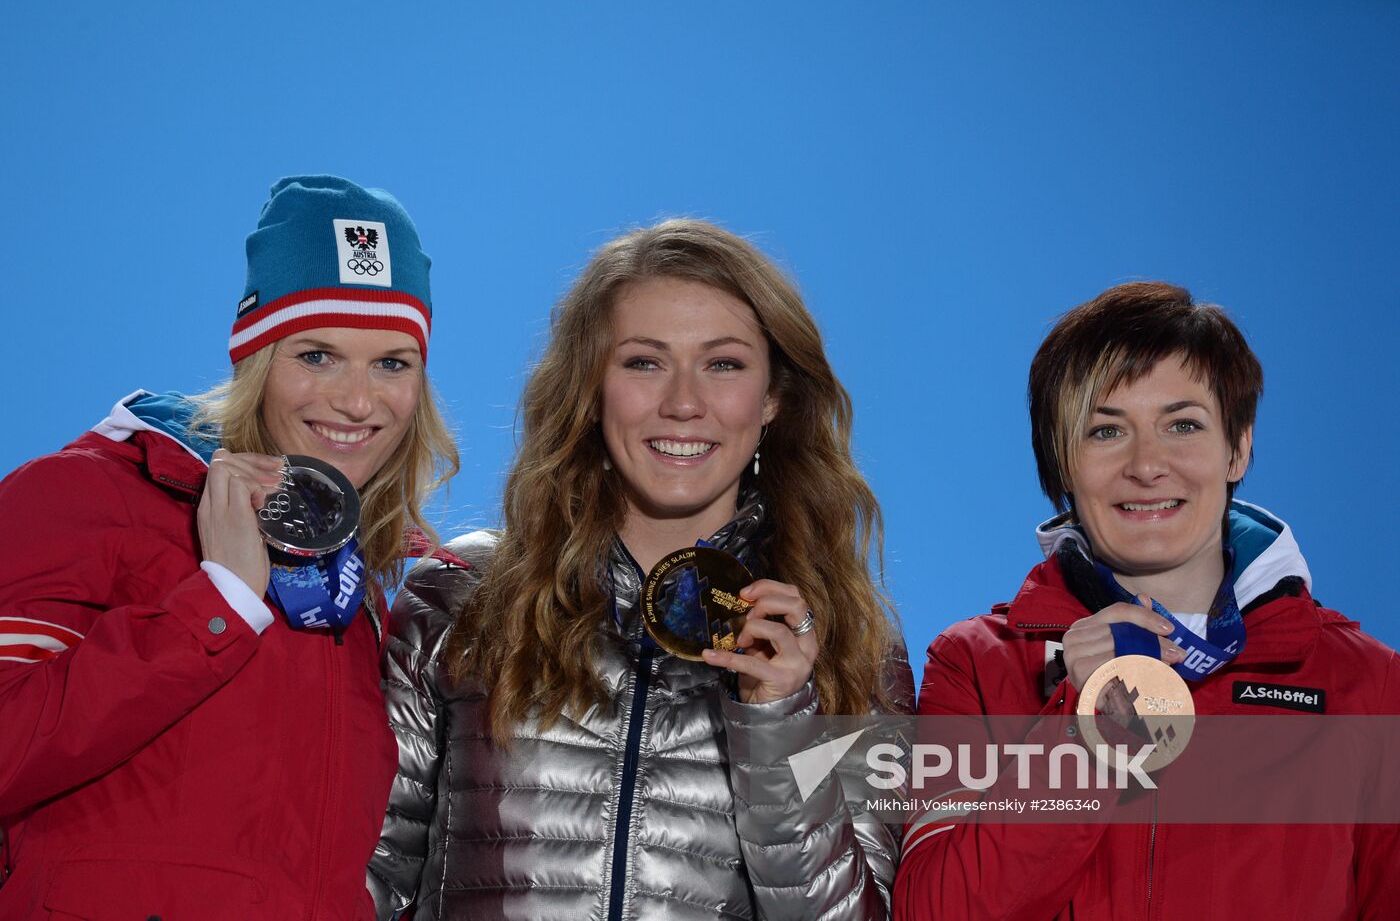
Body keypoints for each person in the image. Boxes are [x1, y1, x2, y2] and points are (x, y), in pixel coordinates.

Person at [368, 219, 914, 920]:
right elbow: (367, 879)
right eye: (644, 363)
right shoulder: (460, 592)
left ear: (774, 397)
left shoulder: (849, 642)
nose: (683, 403)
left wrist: (778, 724)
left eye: (723, 364)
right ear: (590, 388)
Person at [0, 175, 458, 919]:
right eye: (317, 355)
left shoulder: (359, 589)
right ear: (255, 359)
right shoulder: (88, 494)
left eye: (391, 362)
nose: (358, 400)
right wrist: (215, 606)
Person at [893, 282, 1400, 919]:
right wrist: (1087, 732)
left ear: (1237, 446)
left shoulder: (1369, 684)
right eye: (1106, 432)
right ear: (1061, 463)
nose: (1147, 465)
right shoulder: (977, 663)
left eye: (1182, 424)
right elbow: (933, 912)